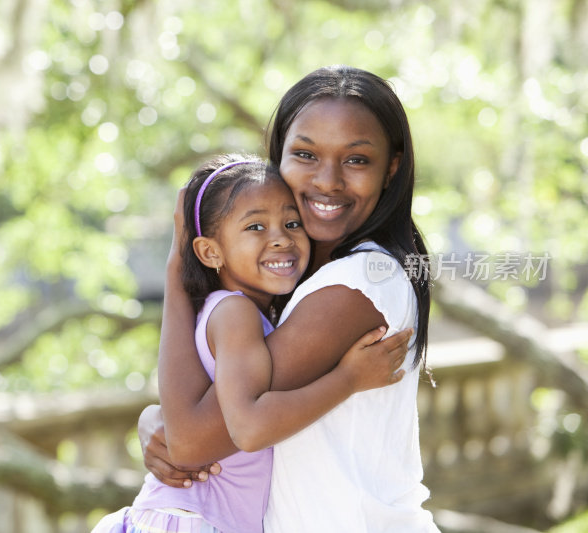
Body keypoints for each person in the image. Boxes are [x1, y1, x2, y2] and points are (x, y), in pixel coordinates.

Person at [139, 65, 439, 532]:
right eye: (305, 154)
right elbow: (204, 413)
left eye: (356, 160)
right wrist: (155, 421)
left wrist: (179, 272)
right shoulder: (286, 282)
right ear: (277, 155)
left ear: (391, 168)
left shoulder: (358, 282)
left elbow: (195, 441)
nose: (328, 181)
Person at [92, 154, 411, 533]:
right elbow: (251, 427)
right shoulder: (236, 314)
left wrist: (152, 418)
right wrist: (349, 380)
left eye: (292, 223)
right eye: (256, 226)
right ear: (211, 251)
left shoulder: (227, 312)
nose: (280, 237)